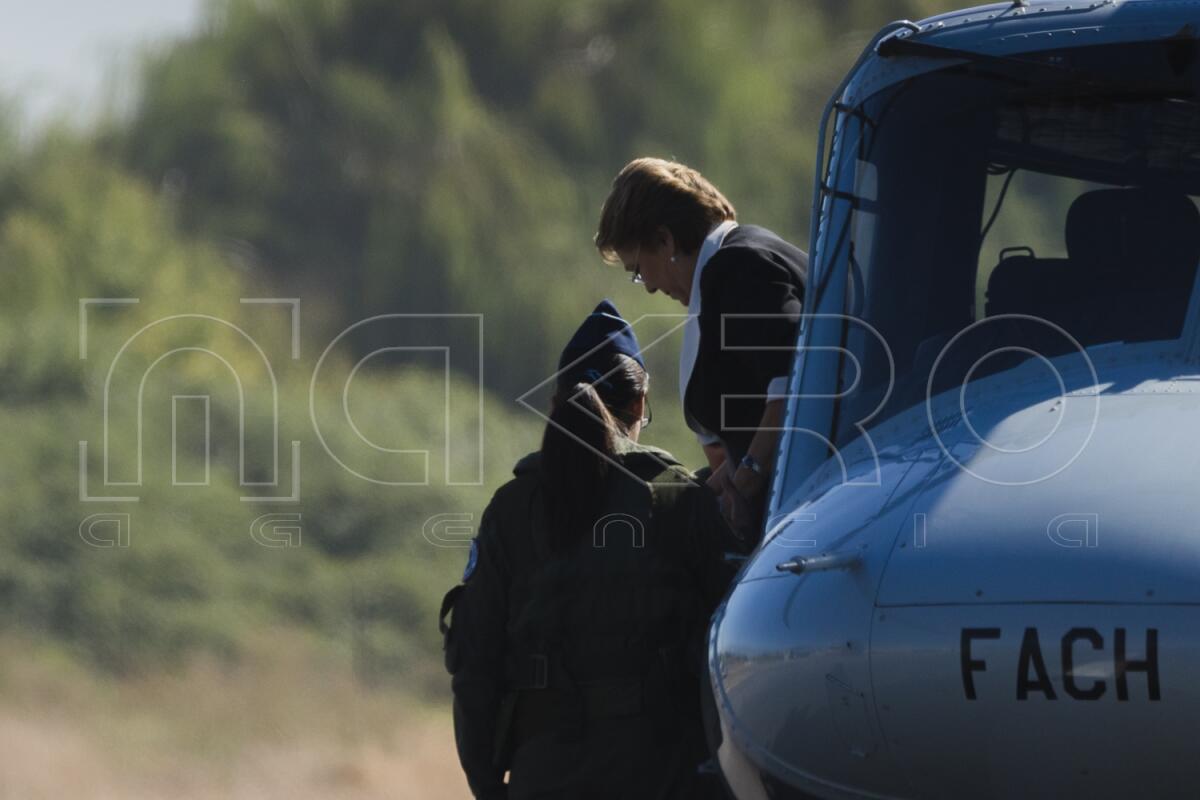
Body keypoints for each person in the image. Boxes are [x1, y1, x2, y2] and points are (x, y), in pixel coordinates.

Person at [441, 300, 740, 800]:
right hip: (664, 774)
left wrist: (489, 784)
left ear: (555, 405)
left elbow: (475, 659)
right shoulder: (677, 497)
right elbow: (730, 650)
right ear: (640, 406)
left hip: (545, 777)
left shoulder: (512, 508)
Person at [595, 157, 808, 543]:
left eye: (640, 269)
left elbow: (794, 380)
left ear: (665, 240)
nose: (648, 288)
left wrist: (747, 477)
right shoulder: (739, 260)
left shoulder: (738, 266)